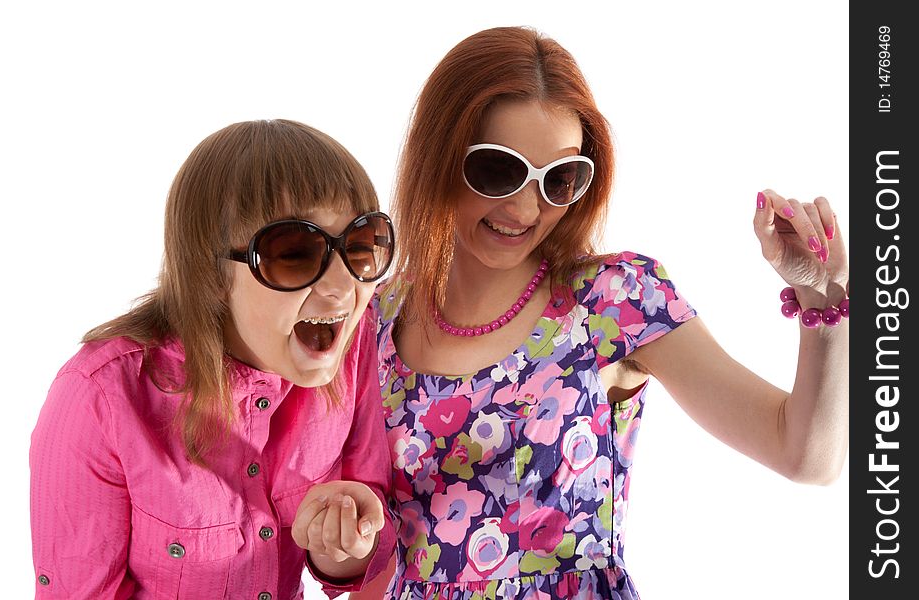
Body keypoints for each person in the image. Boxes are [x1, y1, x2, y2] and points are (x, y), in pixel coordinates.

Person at [351, 27, 849, 599]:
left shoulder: (612, 300)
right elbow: (366, 557)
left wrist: (825, 295)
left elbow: (805, 455)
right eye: (497, 170)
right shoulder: (373, 321)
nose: (524, 207)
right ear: (438, 157)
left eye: (558, 179)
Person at [30, 119, 398, 599]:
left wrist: (345, 539)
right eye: (294, 253)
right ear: (210, 273)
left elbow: (366, 555)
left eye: (360, 246)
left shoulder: (357, 343)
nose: (343, 287)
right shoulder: (98, 397)